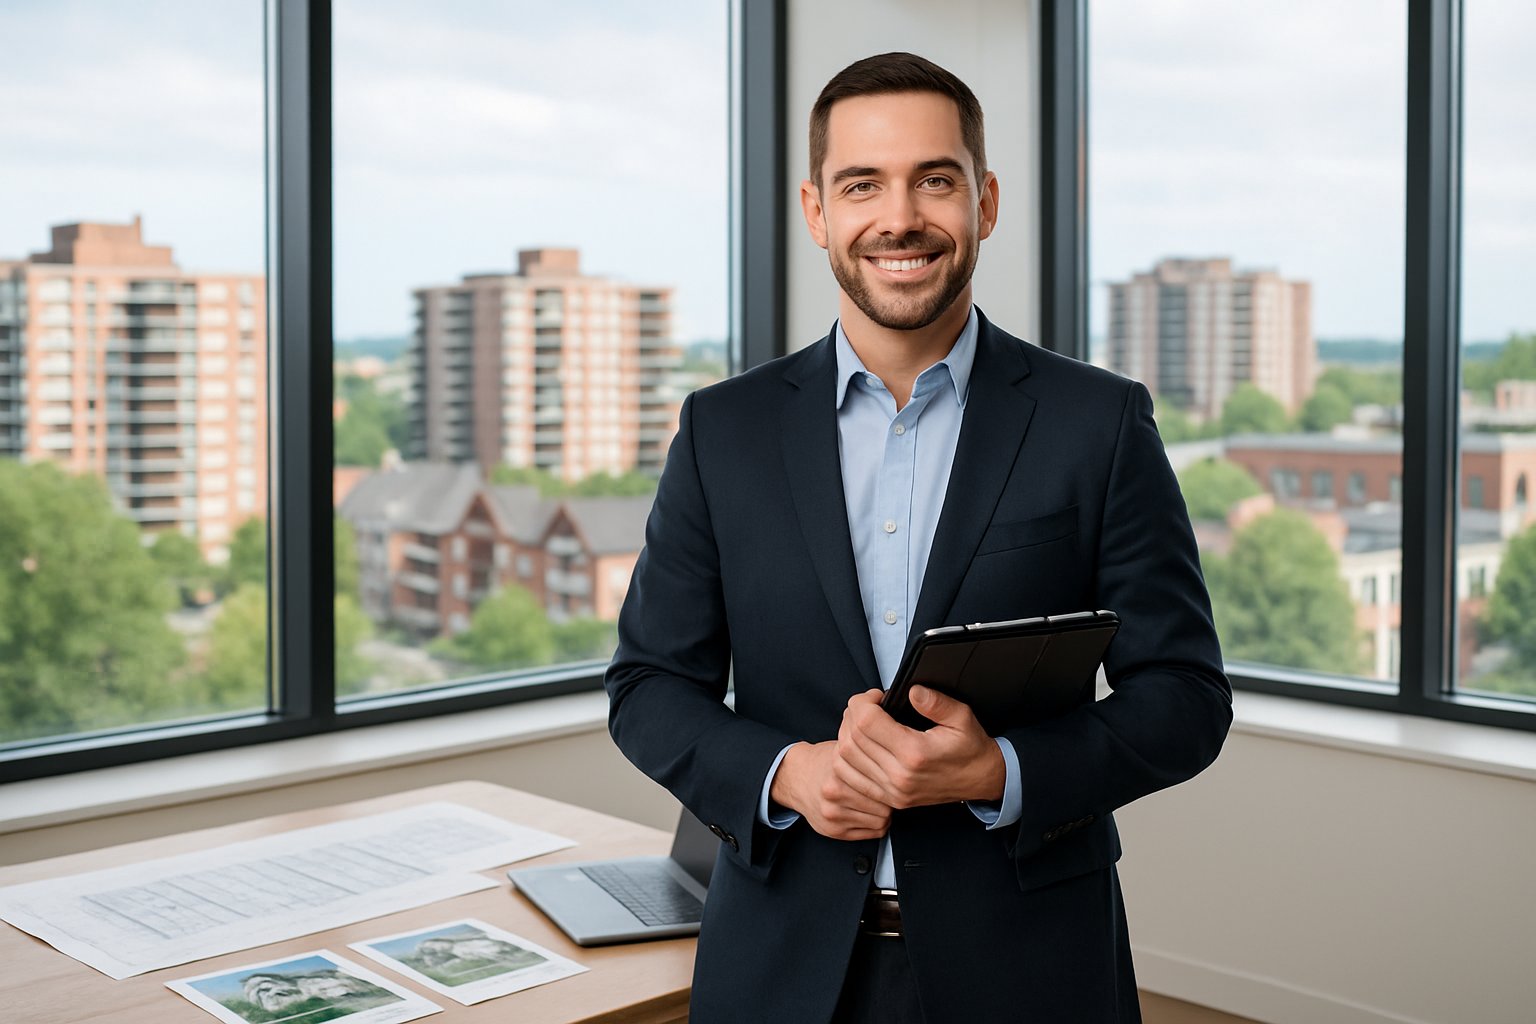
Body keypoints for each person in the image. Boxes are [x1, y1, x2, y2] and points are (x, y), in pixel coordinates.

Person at [606, 51, 1231, 1024]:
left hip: (1031, 970)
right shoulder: (721, 432)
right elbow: (648, 688)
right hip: (778, 969)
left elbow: (1186, 698)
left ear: (984, 201)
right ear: (817, 211)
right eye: (863, 184)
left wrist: (1002, 772)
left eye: (933, 180)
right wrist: (791, 775)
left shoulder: (1098, 424)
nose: (900, 217)